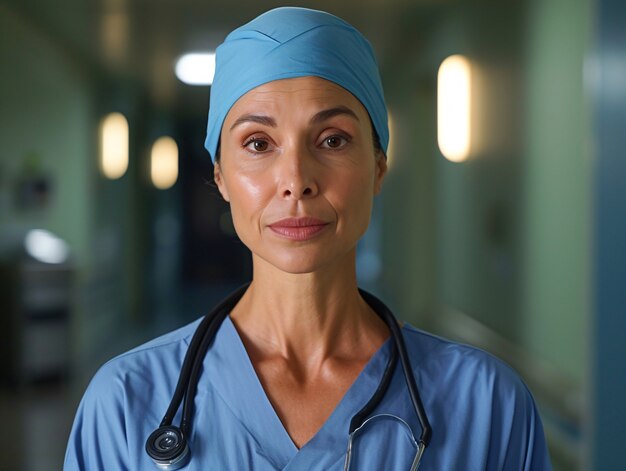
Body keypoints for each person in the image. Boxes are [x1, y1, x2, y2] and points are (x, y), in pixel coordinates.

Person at [64, 7, 552, 470]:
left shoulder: (488, 406)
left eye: (332, 139)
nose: (296, 179)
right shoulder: (125, 403)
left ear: (378, 167)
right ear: (221, 178)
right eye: (258, 144)